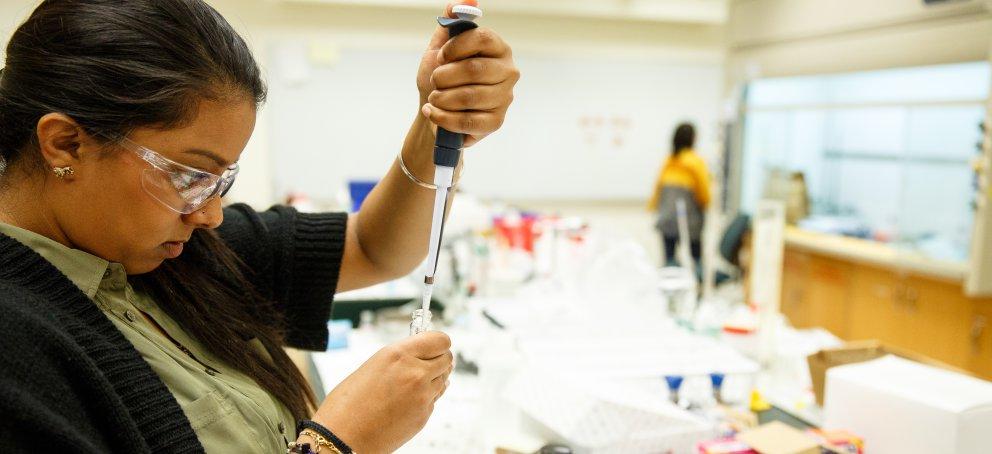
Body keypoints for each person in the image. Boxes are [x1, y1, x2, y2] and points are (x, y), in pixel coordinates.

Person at [0, 1, 518, 453]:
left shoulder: (169, 252)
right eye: (187, 176)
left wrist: (437, 120)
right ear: (66, 144)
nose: (210, 215)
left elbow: (371, 247)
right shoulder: (18, 343)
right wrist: (340, 441)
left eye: (220, 180)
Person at [648, 122, 711, 266]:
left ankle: (670, 283)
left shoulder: (669, 161)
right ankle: (697, 283)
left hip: (667, 219)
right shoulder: (696, 162)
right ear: (693, 139)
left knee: (669, 260)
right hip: (690, 220)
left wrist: (653, 207)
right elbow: (704, 195)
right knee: (696, 258)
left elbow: (658, 189)